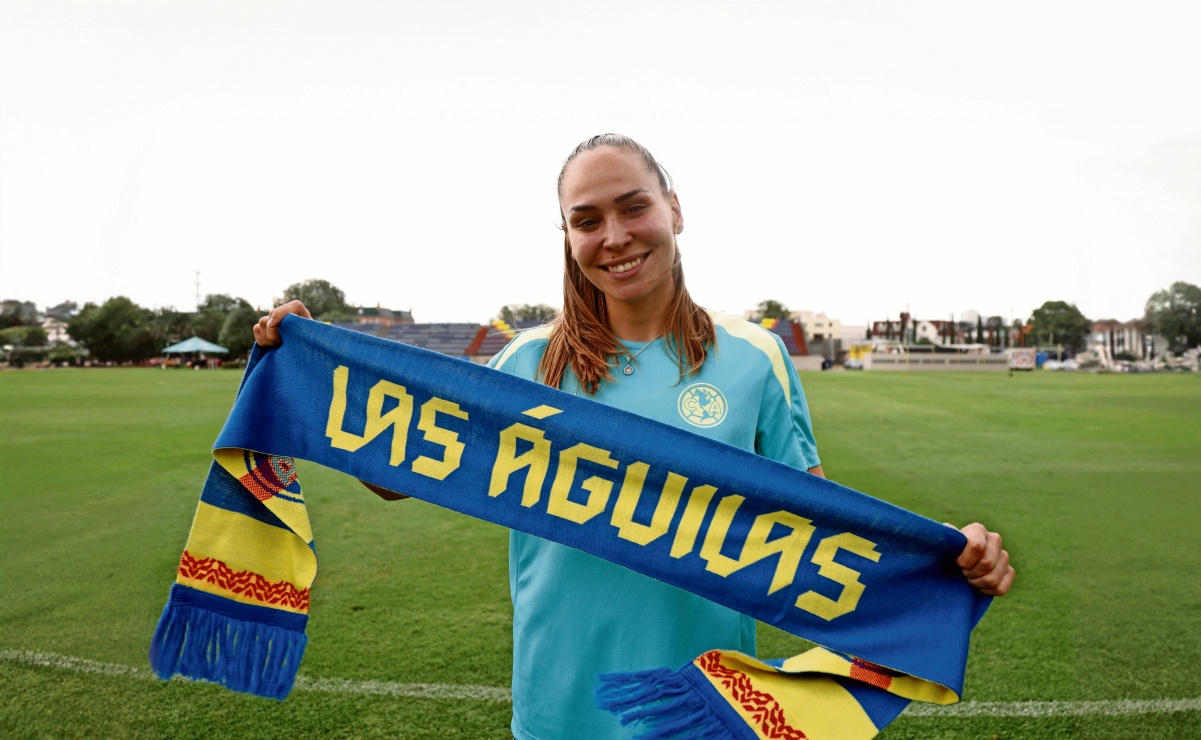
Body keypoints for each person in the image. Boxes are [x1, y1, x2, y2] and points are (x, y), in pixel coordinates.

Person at [254, 133, 1015, 738]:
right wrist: (316, 367)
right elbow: (397, 469)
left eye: (632, 208)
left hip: (706, 706)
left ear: (674, 211)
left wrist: (941, 554)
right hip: (558, 706)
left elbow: (817, 521)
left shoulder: (755, 358)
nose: (613, 237)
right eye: (586, 221)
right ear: (566, 236)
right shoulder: (525, 361)